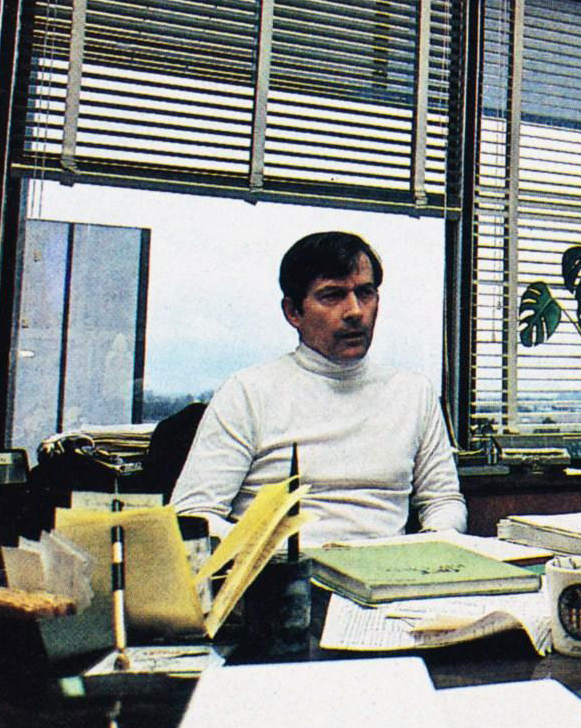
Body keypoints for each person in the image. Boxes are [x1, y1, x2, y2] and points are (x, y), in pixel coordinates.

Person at [170, 231, 466, 544]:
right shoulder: (247, 392)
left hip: (389, 566)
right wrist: (278, 554)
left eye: (365, 293)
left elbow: (443, 500)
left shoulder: (413, 392)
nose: (355, 311)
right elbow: (192, 514)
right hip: (284, 567)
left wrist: (434, 541)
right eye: (332, 296)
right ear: (293, 312)